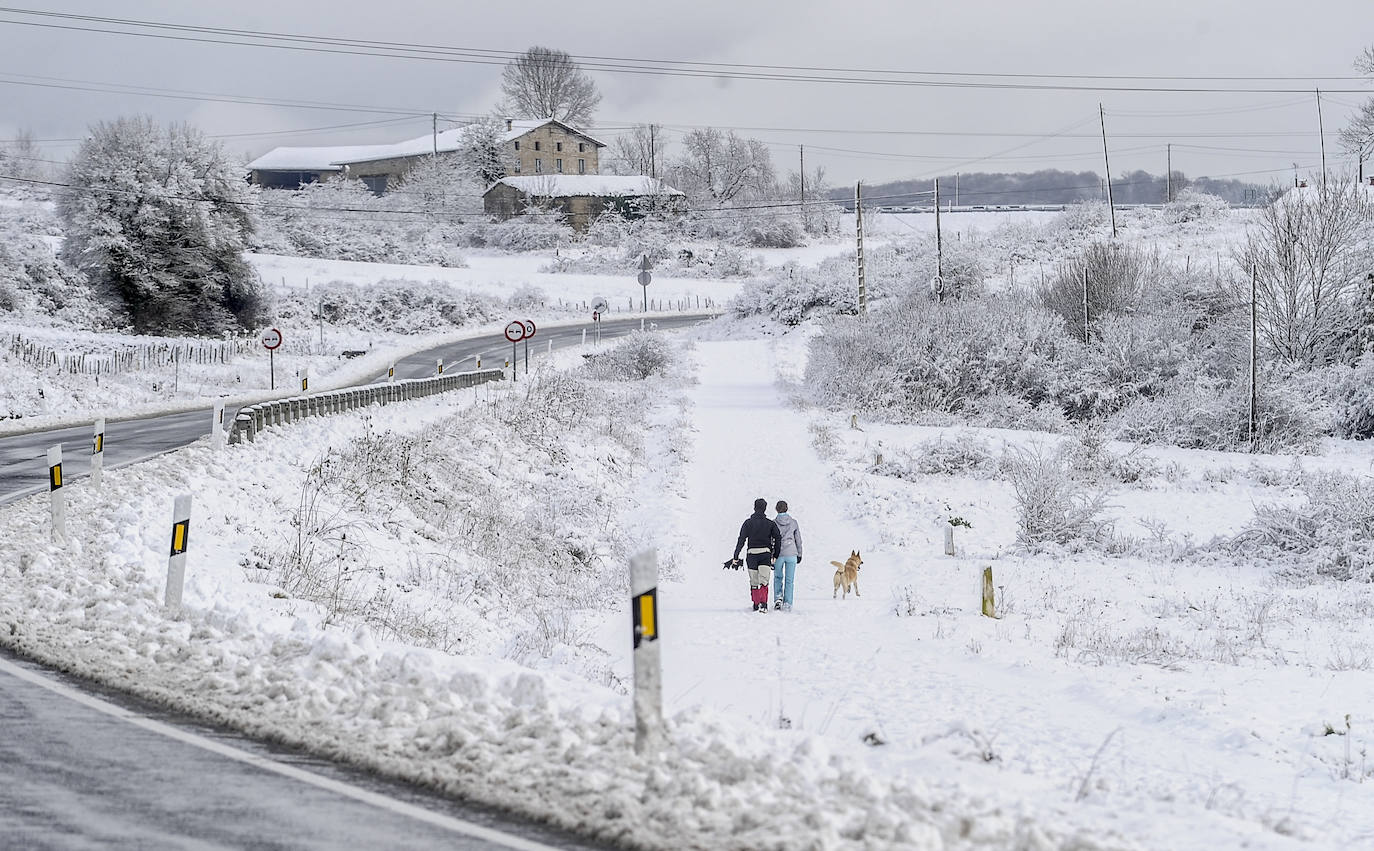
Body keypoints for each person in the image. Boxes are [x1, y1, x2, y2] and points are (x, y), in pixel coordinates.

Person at [731, 498, 781, 613]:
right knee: (764, 580)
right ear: (765, 509)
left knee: (754, 580)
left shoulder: (747, 523)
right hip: (765, 554)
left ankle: (755, 603)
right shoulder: (770, 524)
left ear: (754, 508)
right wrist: (775, 554)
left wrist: (736, 555)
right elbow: (778, 538)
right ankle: (763, 604)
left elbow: (741, 539)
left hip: (752, 554)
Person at [772, 500, 803, 611]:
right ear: (787, 508)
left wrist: (771, 555)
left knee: (778, 577)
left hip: (779, 554)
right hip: (792, 554)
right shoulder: (793, 522)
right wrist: (799, 553)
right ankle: (788, 603)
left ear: (776, 509)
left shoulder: (773, 523)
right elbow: (798, 539)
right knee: (789, 580)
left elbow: (772, 540)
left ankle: (778, 598)